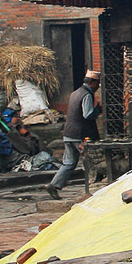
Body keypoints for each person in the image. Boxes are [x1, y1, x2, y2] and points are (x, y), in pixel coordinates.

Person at [46, 70, 101, 200]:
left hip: (69, 133)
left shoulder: (75, 93)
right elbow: (87, 114)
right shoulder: (86, 95)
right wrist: (97, 111)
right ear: (92, 82)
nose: (98, 87)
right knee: (91, 161)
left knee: (69, 163)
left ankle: (54, 185)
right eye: (97, 84)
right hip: (80, 135)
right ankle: (91, 189)